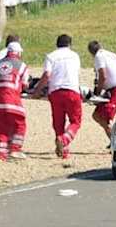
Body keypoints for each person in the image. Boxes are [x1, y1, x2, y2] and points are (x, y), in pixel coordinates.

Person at [31, 34, 82, 162]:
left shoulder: (51, 56)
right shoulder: (75, 56)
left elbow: (47, 75)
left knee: (58, 123)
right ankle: (64, 141)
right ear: (70, 44)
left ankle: (64, 151)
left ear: (57, 44)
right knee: (75, 121)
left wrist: (37, 91)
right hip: (72, 90)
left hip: (55, 92)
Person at [0, 41, 30, 162]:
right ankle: (15, 149)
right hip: (12, 100)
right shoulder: (21, 65)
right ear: (18, 53)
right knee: (20, 124)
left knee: (2, 127)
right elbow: (25, 84)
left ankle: (0, 154)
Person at [88, 40, 116, 145]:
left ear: (91, 52)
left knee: (104, 118)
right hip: (115, 90)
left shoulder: (98, 57)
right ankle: (114, 141)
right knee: (97, 115)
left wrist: (97, 93)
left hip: (114, 91)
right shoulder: (111, 54)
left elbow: (103, 76)